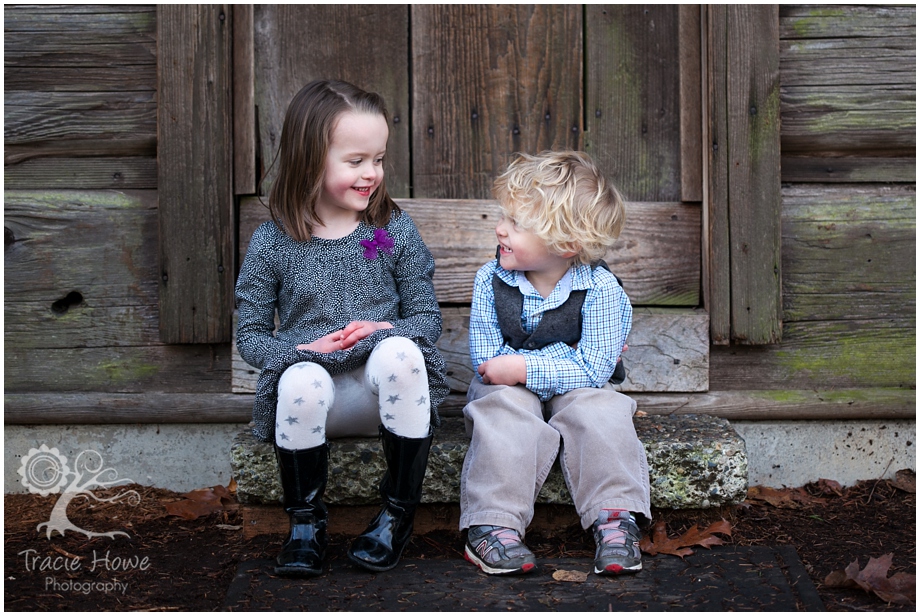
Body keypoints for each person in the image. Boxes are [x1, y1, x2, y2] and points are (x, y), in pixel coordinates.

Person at [235, 79, 449, 577]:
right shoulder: (275, 242)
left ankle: (397, 515)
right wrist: (301, 347)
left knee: (401, 352)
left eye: (378, 159)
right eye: (355, 161)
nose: (371, 173)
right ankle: (305, 525)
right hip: (314, 402)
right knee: (300, 379)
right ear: (311, 159)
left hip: (385, 397)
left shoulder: (389, 230)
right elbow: (251, 338)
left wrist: (384, 328)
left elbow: (427, 320)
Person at [459, 150, 651, 576]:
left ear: (565, 245)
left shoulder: (601, 289)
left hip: (578, 385)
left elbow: (595, 369)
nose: (500, 229)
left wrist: (526, 368)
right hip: (507, 387)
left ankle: (615, 517)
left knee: (603, 411)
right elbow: (488, 361)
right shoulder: (489, 280)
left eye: (517, 224)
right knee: (502, 409)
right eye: (504, 216)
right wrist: (519, 374)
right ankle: (494, 522)